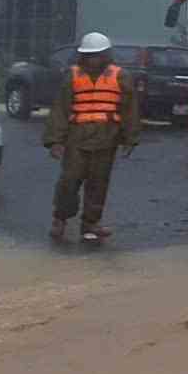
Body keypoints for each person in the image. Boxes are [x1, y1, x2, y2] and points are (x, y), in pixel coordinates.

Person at [45, 32, 139, 244]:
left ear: (106, 55)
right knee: (69, 181)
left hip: (107, 137)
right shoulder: (73, 75)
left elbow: (130, 110)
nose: (93, 60)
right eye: (89, 55)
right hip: (77, 137)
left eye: (97, 55)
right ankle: (60, 218)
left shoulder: (121, 76)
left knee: (98, 183)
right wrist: (55, 141)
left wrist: (130, 139)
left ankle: (90, 223)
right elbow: (60, 109)